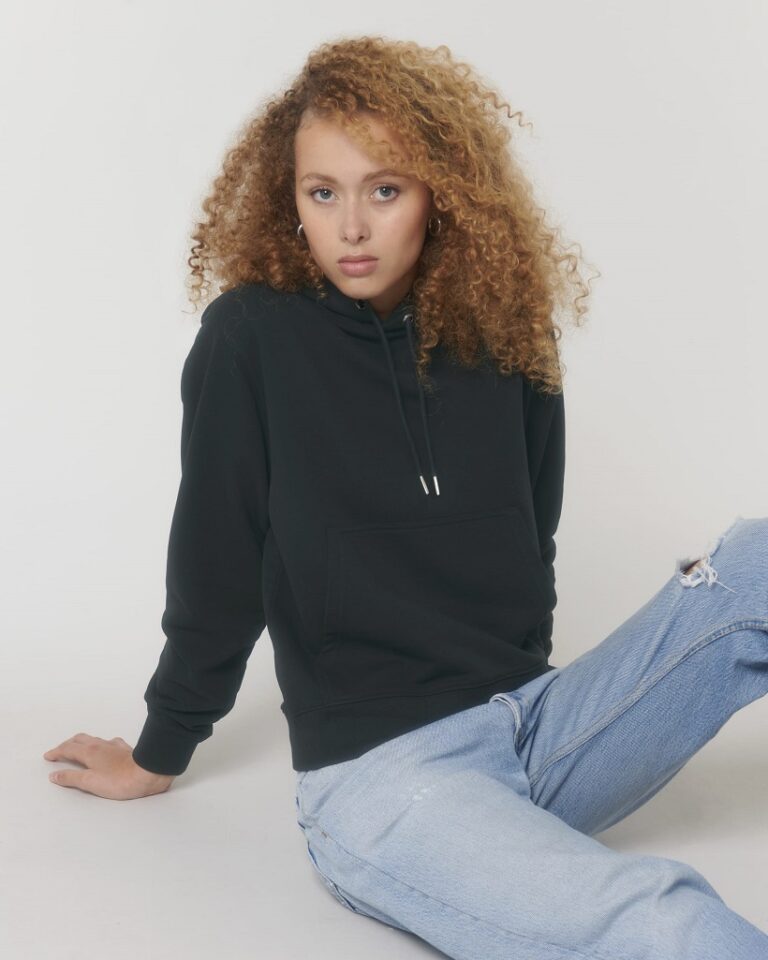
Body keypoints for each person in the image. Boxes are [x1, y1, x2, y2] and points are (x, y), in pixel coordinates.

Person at [44, 35, 768, 958]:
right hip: (387, 779)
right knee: (661, 917)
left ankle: (508, 832)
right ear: (290, 200)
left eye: (384, 190)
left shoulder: (507, 327)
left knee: (755, 563)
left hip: (537, 728)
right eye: (323, 193)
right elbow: (216, 568)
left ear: (439, 194)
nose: (351, 227)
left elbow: (531, 535)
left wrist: (524, 693)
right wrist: (161, 748)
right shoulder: (250, 339)